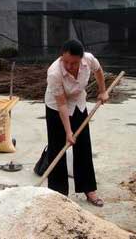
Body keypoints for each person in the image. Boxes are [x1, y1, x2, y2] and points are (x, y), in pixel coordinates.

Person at [45, 39, 108, 206]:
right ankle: (58, 192)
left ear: (81, 58)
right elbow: (61, 104)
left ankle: (89, 189)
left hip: (78, 103)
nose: (69, 66)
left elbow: (99, 71)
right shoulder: (54, 73)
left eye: (73, 63)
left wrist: (103, 92)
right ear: (61, 57)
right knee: (57, 147)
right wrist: (68, 132)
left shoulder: (89, 59)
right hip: (56, 108)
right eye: (65, 61)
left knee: (83, 146)